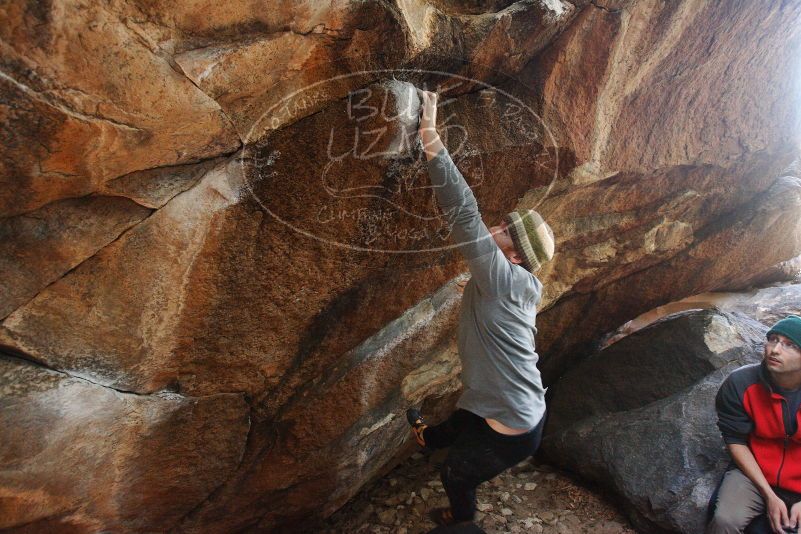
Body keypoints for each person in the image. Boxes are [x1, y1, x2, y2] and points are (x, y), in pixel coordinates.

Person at [405, 88, 554, 529]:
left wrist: (430, 135)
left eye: (506, 230)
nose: (496, 226)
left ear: (515, 256)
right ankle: (428, 438)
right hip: (515, 406)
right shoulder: (516, 283)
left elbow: (464, 214)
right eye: (504, 221)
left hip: (514, 428)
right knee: (460, 422)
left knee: (457, 473)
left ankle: (461, 523)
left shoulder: (503, 279)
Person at [708, 315, 801, 534]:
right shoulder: (740, 383)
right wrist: (769, 495)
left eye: (791, 345)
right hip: (756, 472)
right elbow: (735, 439)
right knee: (724, 520)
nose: (775, 350)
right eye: (773, 340)